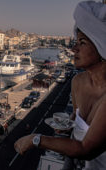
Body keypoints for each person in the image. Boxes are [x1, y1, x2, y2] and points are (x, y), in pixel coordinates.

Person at [14, 1, 106, 170]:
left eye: (82, 42)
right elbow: (75, 121)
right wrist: (65, 127)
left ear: (102, 48)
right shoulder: (77, 82)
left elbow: (85, 149)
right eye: (75, 41)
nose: (73, 49)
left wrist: (37, 139)